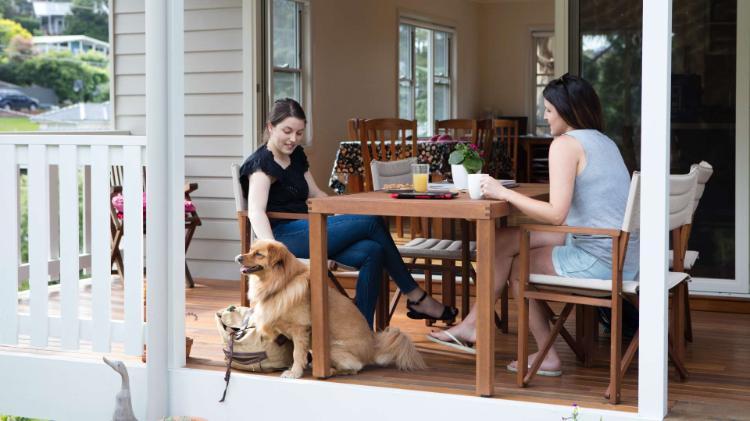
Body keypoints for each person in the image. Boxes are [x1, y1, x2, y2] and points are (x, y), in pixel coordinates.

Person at [428, 74, 639, 376]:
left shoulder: (565, 144)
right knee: (503, 240)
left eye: (549, 110)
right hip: (622, 250)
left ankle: (548, 355)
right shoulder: (604, 141)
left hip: (602, 258)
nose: (544, 116)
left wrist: (502, 193)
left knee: (518, 267)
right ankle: (473, 324)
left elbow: (556, 215)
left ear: (567, 110)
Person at [240, 98, 457, 327]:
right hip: (284, 238)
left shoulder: (295, 156)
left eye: (299, 133)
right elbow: (255, 211)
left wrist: (342, 215)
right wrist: (275, 253)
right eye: (287, 131)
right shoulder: (262, 164)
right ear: (270, 127)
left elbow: (315, 194)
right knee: (372, 222)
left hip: (310, 227)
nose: (293, 139)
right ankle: (416, 296)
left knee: (373, 251)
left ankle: (360, 329)